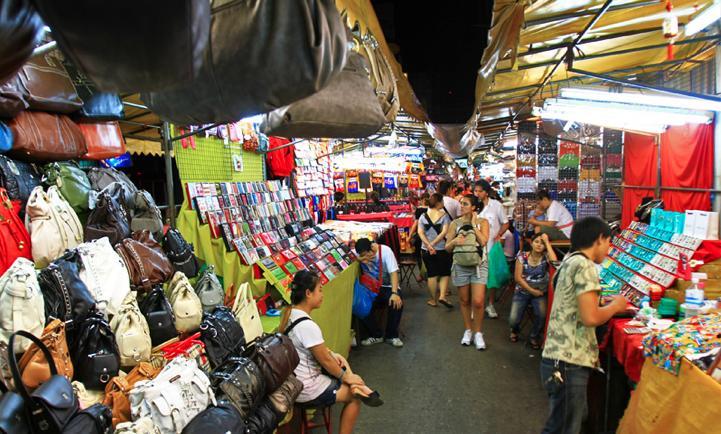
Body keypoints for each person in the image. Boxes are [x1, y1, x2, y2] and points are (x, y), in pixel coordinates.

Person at [541, 217, 628, 434]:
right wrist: (616, 306)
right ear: (599, 239)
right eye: (609, 242)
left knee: (562, 423)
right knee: (563, 428)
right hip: (569, 360)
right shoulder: (584, 266)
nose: (609, 248)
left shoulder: (569, 260)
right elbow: (591, 317)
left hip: (558, 358)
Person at [280, 271, 382, 434]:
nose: (322, 294)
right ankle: (358, 387)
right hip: (307, 388)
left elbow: (317, 352)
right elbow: (325, 362)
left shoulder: (289, 314)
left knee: (338, 357)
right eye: (320, 290)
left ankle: (357, 386)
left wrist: (333, 358)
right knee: (354, 399)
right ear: (308, 293)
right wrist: (345, 376)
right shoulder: (307, 325)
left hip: (293, 382)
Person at [445, 194, 489, 350]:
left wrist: (472, 225)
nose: (461, 206)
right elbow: (447, 247)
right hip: (460, 265)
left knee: (478, 301)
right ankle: (468, 330)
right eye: (461, 203)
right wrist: (455, 241)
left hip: (479, 265)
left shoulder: (483, 222)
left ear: (474, 207)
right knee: (464, 300)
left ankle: (478, 333)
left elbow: (483, 241)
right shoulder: (454, 223)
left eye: (465, 204)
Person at [509, 233, 557, 349]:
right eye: (536, 242)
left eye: (542, 243)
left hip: (539, 292)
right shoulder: (522, 256)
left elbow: (555, 262)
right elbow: (518, 278)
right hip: (522, 291)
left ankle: (533, 336)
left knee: (542, 315)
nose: (539, 245)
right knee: (513, 319)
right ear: (531, 242)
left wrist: (547, 243)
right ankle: (515, 330)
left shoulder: (545, 257)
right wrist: (531, 291)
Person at [355, 238, 404, 348]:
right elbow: (350, 258)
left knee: (396, 302)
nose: (365, 257)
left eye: (366, 254)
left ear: (372, 248)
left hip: (387, 286)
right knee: (359, 304)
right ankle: (376, 335)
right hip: (370, 288)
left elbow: (394, 273)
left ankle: (392, 335)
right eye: (362, 255)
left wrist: (395, 293)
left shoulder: (386, 251)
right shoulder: (361, 253)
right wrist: (359, 259)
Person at [473, 180, 509, 319]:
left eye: (480, 191)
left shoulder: (496, 206)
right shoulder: (474, 206)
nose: (477, 194)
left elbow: (506, 223)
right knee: (477, 276)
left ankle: (490, 304)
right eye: (475, 191)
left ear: (486, 191)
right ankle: (477, 305)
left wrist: (499, 235)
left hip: (491, 247)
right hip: (476, 247)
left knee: (491, 276)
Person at [418, 193, 453, 308]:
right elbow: (444, 232)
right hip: (442, 249)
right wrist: (433, 244)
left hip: (426, 250)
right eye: (442, 201)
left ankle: (433, 300)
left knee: (432, 274)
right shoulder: (444, 216)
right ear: (438, 203)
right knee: (444, 273)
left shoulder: (423, 216)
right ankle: (442, 296)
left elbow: (420, 232)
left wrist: (428, 245)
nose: (444, 203)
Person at [410, 193, 430, 282]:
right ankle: (429, 273)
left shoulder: (419, 210)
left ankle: (422, 274)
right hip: (430, 235)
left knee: (419, 255)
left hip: (420, 235)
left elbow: (416, 223)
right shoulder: (432, 209)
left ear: (421, 200)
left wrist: (410, 235)